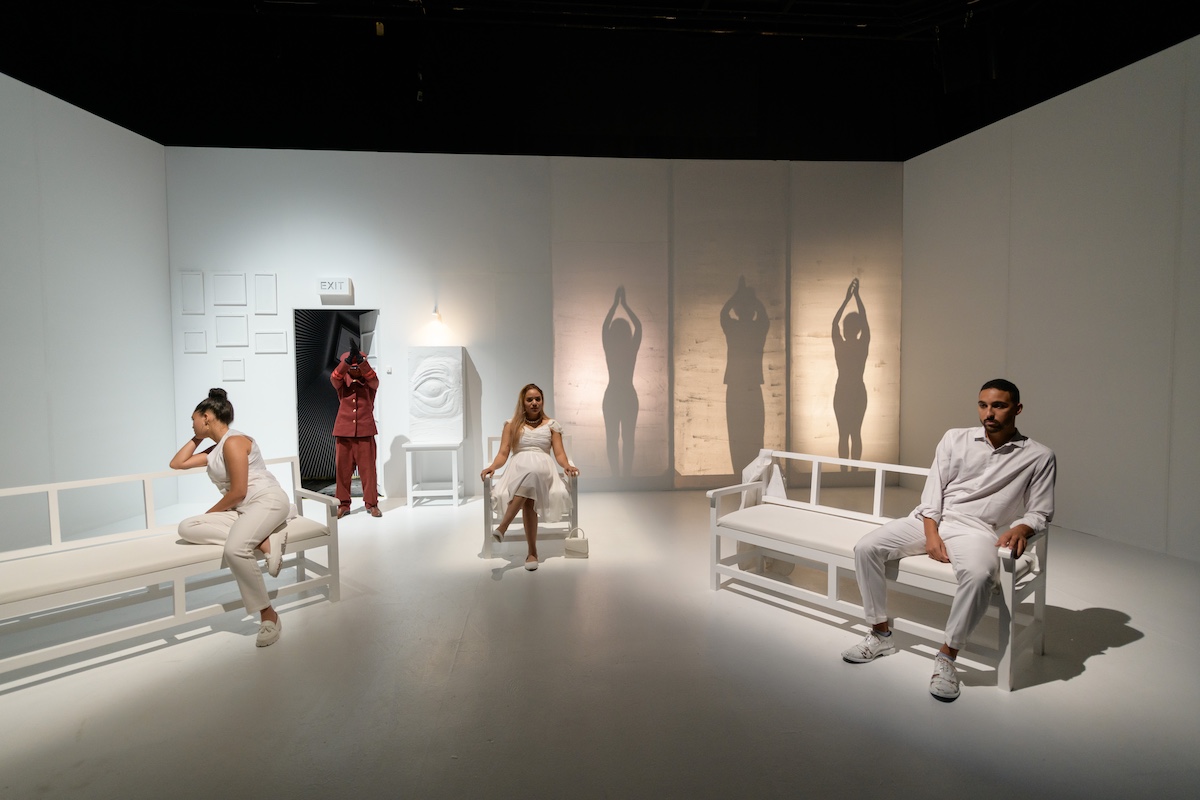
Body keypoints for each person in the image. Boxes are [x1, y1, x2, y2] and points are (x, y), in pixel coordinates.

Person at [839, 379, 1055, 701]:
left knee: (981, 575)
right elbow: (933, 491)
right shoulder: (955, 438)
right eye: (983, 405)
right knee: (867, 547)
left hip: (977, 530)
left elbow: (1040, 511)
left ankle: (947, 656)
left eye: (999, 406)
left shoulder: (1039, 456)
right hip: (931, 519)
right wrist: (931, 534)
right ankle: (880, 633)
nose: (989, 413)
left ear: (1017, 409)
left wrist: (1022, 528)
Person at [172, 388, 293, 647]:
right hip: (242, 512)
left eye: (193, 419)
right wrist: (198, 437)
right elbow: (177, 463)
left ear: (206, 417)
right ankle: (265, 538)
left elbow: (238, 491)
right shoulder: (214, 449)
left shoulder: (235, 442)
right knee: (187, 527)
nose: (191, 424)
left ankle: (268, 614)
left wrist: (210, 514)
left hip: (267, 501)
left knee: (236, 549)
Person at [481, 384, 579, 571]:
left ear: (542, 401)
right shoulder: (511, 425)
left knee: (533, 474)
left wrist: (566, 465)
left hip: (544, 470)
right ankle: (532, 552)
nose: (534, 403)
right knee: (528, 486)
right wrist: (492, 467)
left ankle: (503, 528)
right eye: (529, 400)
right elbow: (503, 453)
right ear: (523, 403)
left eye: (538, 399)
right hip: (518, 470)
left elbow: (559, 454)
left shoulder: (552, 425)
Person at [330, 342, 381, 518]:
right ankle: (343, 504)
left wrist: (362, 363)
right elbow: (335, 377)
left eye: (358, 365)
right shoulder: (342, 384)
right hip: (343, 432)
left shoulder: (369, 383)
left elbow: (374, 380)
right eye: (352, 366)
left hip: (365, 433)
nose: (355, 369)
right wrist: (345, 363)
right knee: (342, 471)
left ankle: (372, 504)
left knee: (369, 471)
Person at [602, 286, 642, 478]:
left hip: (615, 395)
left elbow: (604, 328)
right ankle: (623, 475)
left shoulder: (612, 349)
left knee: (614, 438)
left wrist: (616, 305)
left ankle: (619, 475)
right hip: (626, 395)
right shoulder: (629, 350)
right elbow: (639, 327)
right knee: (627, 439)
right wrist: (623, 305)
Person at [832, 277, 870, 468]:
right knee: (851, 434)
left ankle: (848, 472)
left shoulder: (844, 345)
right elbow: (835, 325)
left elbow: (834, 324)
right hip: (851, 392)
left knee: (850, 434)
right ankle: (848, 471)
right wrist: (854, 297)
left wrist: (850, 298)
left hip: (848, 392)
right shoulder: (860, 345)